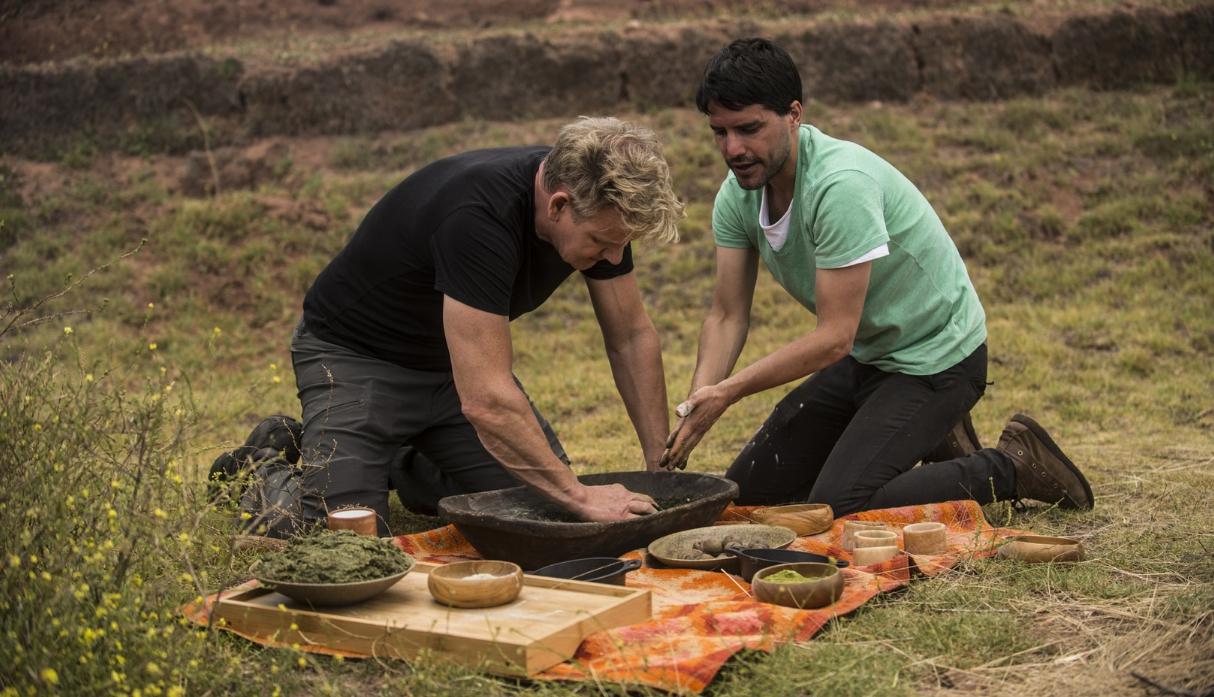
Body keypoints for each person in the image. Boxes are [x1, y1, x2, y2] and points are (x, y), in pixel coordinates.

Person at [660, 38, 1093, 516]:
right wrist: (698, 402)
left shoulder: (841, 186)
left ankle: (1014, 464)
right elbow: (726, 316)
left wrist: (731, 391)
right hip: (872, 359)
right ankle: (935, 435)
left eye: (749, 129)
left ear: (794, 114)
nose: (734, 149)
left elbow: (833, 338)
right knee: (750, 492)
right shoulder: (738, 193)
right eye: (719, 133)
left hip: (938, 360)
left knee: (841, 503)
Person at [269, 116, 683, 536]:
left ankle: (401, 461)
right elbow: (486, 399)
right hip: (356, 359)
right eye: (601, 243)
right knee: (346, 536)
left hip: (453, 367)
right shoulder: (479, 215)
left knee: (547, 515)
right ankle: (263, 473)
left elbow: (630, 338)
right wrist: (580, 495)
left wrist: (659, 468)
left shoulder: (600, 216)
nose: (614, 259)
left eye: (622, 244)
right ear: (558, 205)